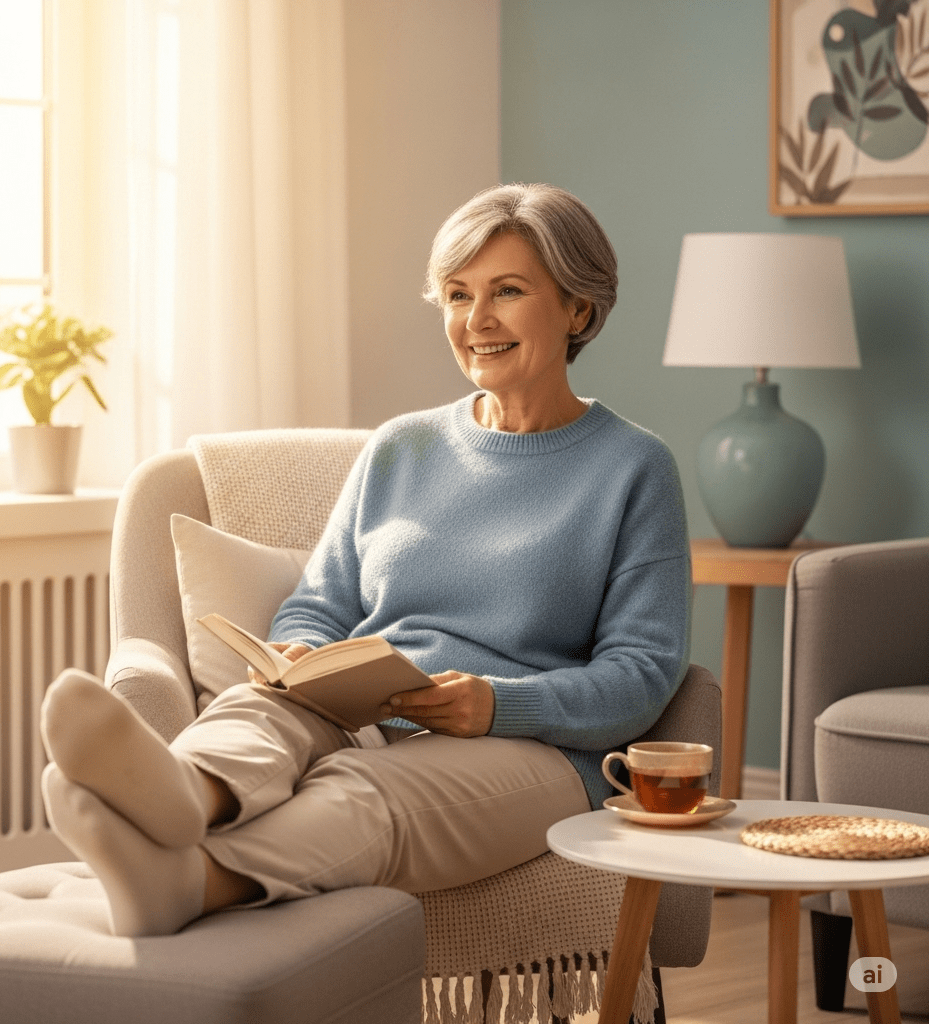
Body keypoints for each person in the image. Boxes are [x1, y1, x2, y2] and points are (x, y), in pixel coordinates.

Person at [40, 182, 692, 938]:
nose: (476, 321)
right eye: (456, 295)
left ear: (579, 308)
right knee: (261, 709)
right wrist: (304, 657)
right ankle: (182, 792)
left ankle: (191, 880)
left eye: (506, 292)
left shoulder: (635, 468)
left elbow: (642, 675)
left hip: (532, 749)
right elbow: (321, 601)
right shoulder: (401, 446)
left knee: (359, 790)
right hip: (371, 709)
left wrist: (497, 704)